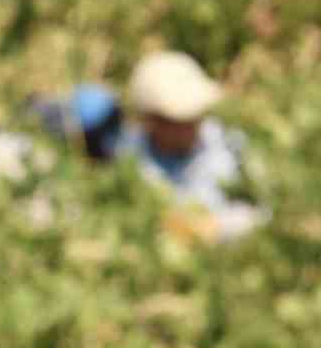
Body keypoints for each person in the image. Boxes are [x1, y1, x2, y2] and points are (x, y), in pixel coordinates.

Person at [113, 50, 266, 241]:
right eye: (176, 121)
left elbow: (262, 211)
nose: (189, 127)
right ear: (151, 120)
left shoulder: (230, 145)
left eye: (193, 117)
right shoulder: (128, 159)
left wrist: (216, 227)